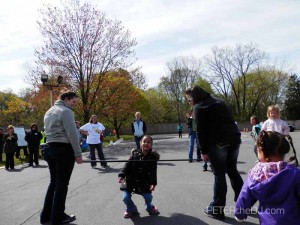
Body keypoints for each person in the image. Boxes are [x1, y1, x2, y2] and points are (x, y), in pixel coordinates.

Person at [185, 86, 244, 220]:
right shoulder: (219, 101)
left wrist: (203, 151)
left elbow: (200, 131)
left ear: (195, 97)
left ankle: (217, 209)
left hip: (218, 143)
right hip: (234, 139)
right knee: (232, 170)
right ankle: (243, 204)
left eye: (189, 99)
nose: (189, 102)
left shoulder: (199, 107)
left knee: (219, 175)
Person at [235, 131, 300, 225]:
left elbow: (244, 197)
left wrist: (239, 214)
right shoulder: (295, 173)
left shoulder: (255, 175)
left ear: (261, 151)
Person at [40, 91, 83, 225]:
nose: (74, 105)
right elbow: (72, 134)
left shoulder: (49, 111)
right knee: (62, 185)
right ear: (66, 99)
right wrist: (78, 153)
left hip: (49, 149)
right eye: (73, 102)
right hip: (63, 151)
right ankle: (58, 217)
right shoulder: (66, 111)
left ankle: (46, 216)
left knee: (54, 183)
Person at [118, 135, 160, 218]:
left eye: (148, 142)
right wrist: (122, 175)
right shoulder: (134, 154)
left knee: (148, 197)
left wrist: (152, 183)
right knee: (125, 198)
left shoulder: (152, 158)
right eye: (144, 141)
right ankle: (131, 209)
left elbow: (153, 172)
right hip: (130, 180)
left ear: (151, 144)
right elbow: (127, 165)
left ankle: (149, 207)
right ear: (140, 143)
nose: (146, 143)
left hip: (143, 182)